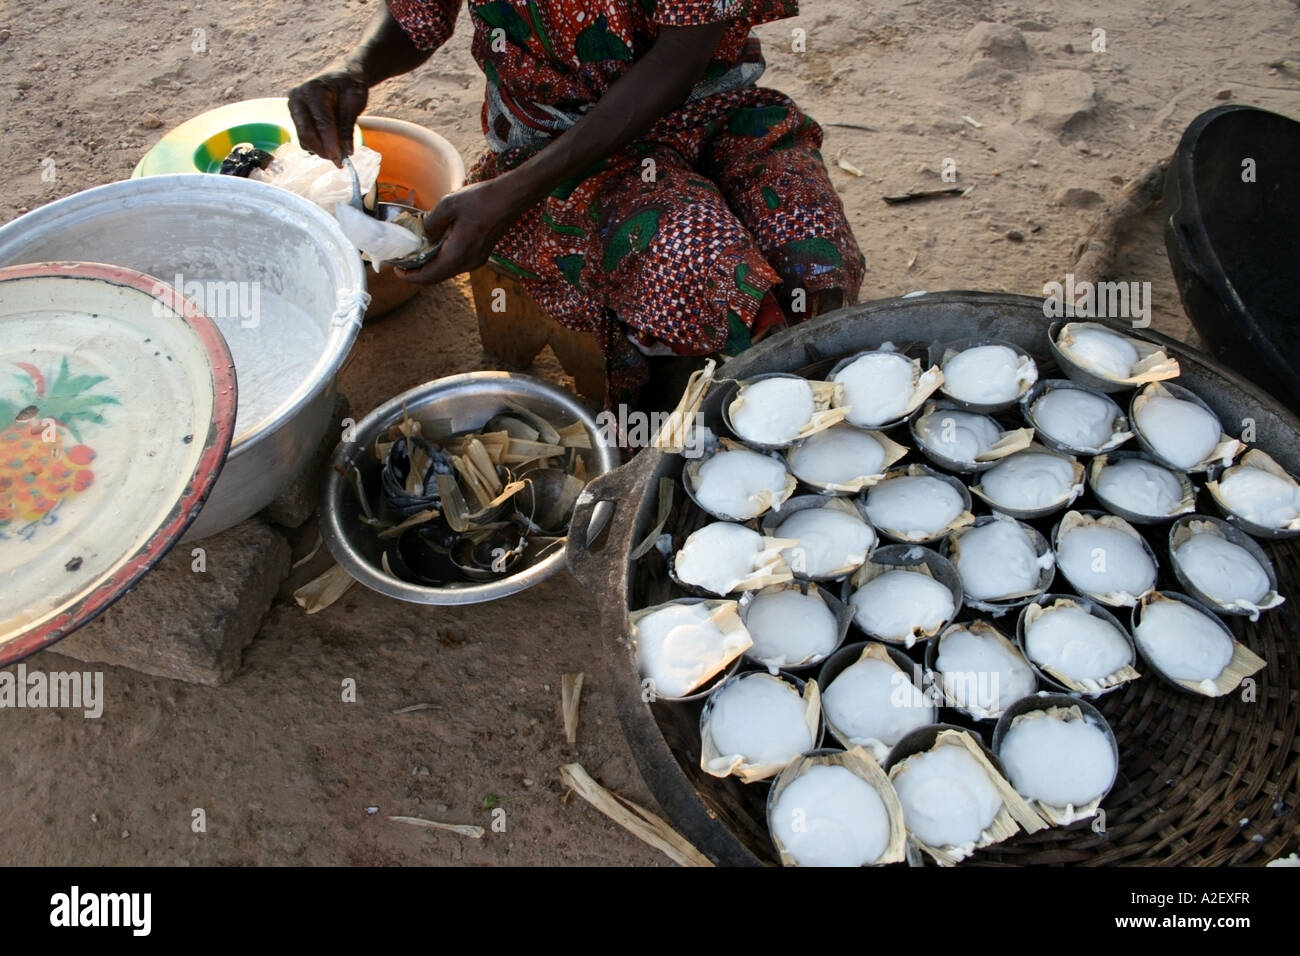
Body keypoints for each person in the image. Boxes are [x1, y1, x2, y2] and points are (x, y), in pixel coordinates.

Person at [289, 1, 864, 407]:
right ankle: (662, 449)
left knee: (816, 266)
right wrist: (356, 67)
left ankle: (757, 427)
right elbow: (417, 17)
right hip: (547, 144)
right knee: (705, 271)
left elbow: (679, 56)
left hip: (712, 106)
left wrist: (511, 197)